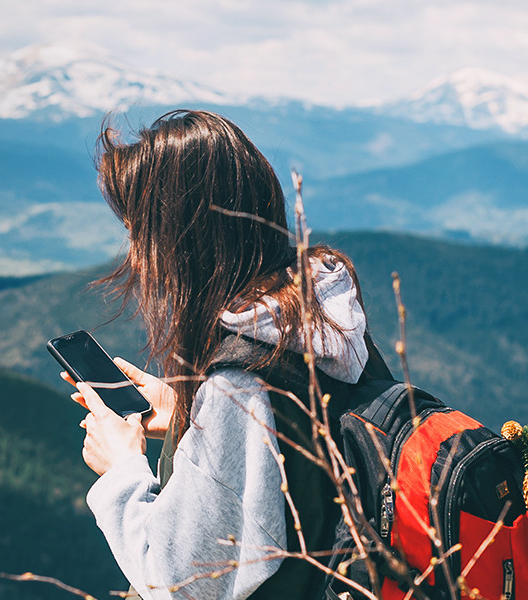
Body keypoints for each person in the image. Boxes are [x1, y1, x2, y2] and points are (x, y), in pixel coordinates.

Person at [64, 110, 376, 600]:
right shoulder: (321, 319)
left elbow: (178, 580)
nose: (135, 255)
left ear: (179, 241)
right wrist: (189, 414)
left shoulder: (244, 380)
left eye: (137, 231)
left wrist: (122, 468)